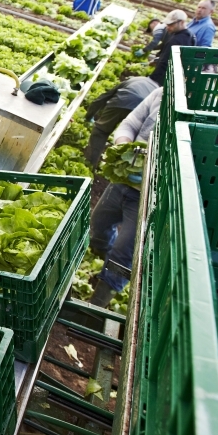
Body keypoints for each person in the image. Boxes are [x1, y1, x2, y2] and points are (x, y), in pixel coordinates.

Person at [89, 86, 163, 307]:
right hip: (123, 179)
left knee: (124, 252)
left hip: (149, 197)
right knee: (99, 222)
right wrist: (125, 150)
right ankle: (102, 255)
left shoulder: (194, 113)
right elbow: (130, 124)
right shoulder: (160, 93)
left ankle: (96, 306)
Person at [83, 76, 159, 165]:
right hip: (138, 108)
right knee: (134, 141)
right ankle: (123, 164)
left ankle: (91, 163)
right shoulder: (158, 91)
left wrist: (88, 116)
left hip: (119, 102)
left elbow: (103, 98)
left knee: (101, 131)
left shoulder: (136, 79)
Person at [148, 9, 195, 85]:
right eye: (167, 24)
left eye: (171, 25)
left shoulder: (176, 40)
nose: (167, 27)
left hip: (165, 80)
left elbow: (165, 63)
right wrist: (158, 60)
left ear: (182, 22)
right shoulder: (190, 36)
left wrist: (152, 79)